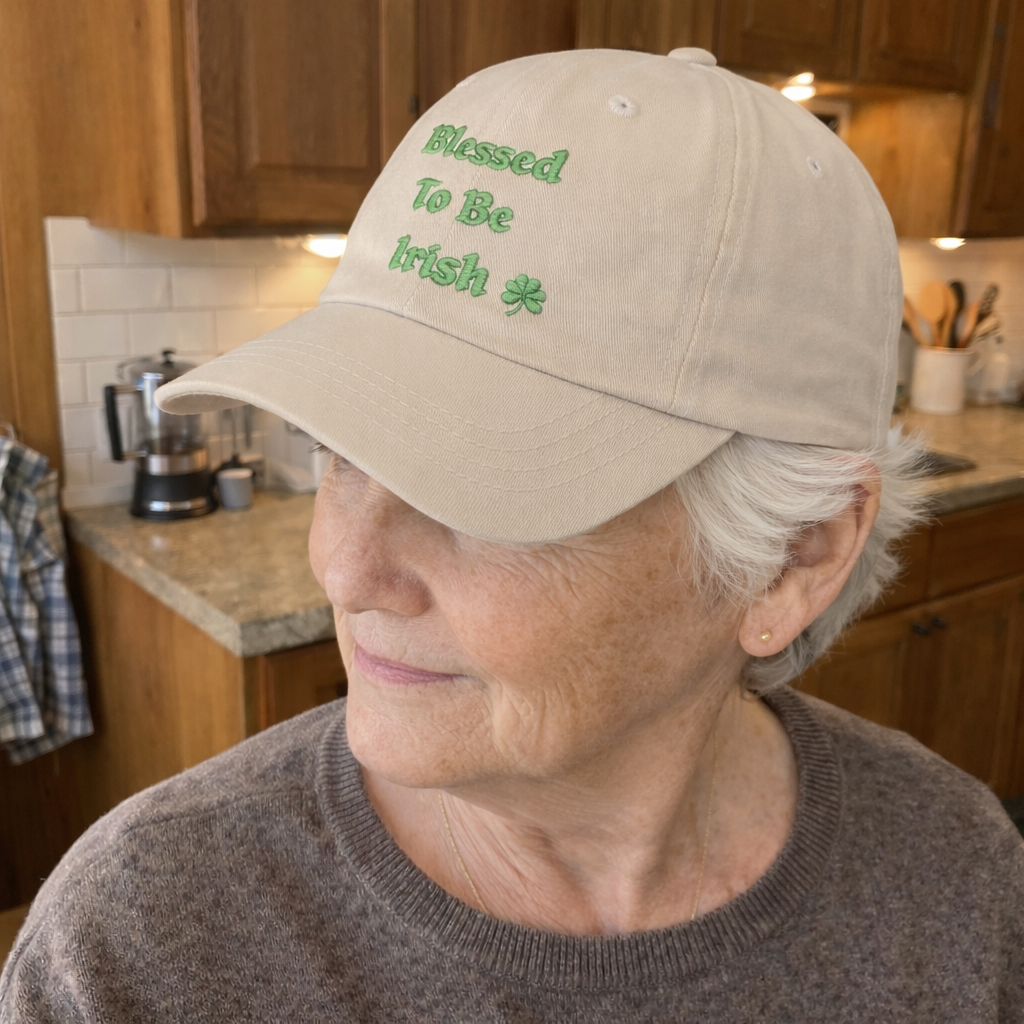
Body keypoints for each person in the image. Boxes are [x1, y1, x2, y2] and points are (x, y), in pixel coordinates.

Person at [2, 47, 1022, 1023]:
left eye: (476, 493)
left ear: (793, 558)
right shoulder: (144, 945)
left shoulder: (958, 884)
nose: (346, 569)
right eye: (339, 450)